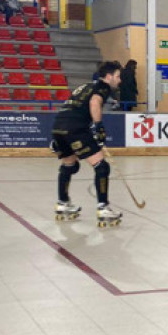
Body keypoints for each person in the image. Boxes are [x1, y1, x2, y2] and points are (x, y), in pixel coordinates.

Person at [50, 61, 123, 226]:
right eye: (117, 76)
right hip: (76, 128)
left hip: (59, 127)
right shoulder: (103, 87)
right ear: (109, 76)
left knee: (70, 166)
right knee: (101, 167)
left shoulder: (85, 86)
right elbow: (94, 102)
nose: (119, 80)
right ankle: (103, 207)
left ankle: (62, 204)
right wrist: (98, 127)